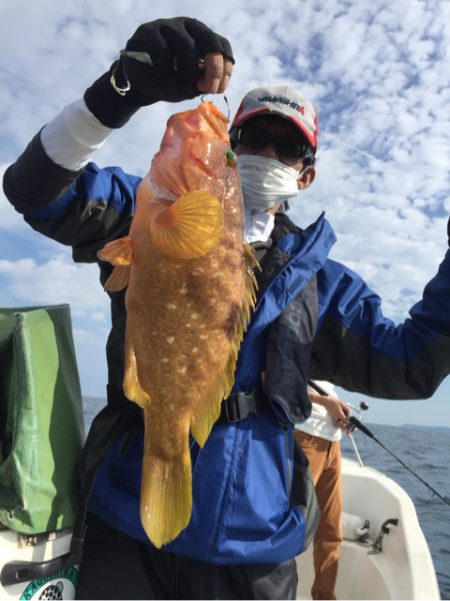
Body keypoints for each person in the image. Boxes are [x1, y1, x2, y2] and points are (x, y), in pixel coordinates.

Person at [4, 16, 450, 600]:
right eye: (251, 140)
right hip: (124, 520)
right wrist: (118, 92)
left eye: (286, 146)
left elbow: (410, 363)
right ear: (230, 152)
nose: (266, 152)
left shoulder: (322, 284)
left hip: (254, 547)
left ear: (305, 174)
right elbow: (35, 191)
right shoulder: (149, 211)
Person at [296, 381, 350, 600]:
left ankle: (325, 596)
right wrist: (325, 402)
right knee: (289, 527)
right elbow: (274, 382)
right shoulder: (291, 345)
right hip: (303, 437)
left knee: (330, 531)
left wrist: (337, 411)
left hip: (331, 443)